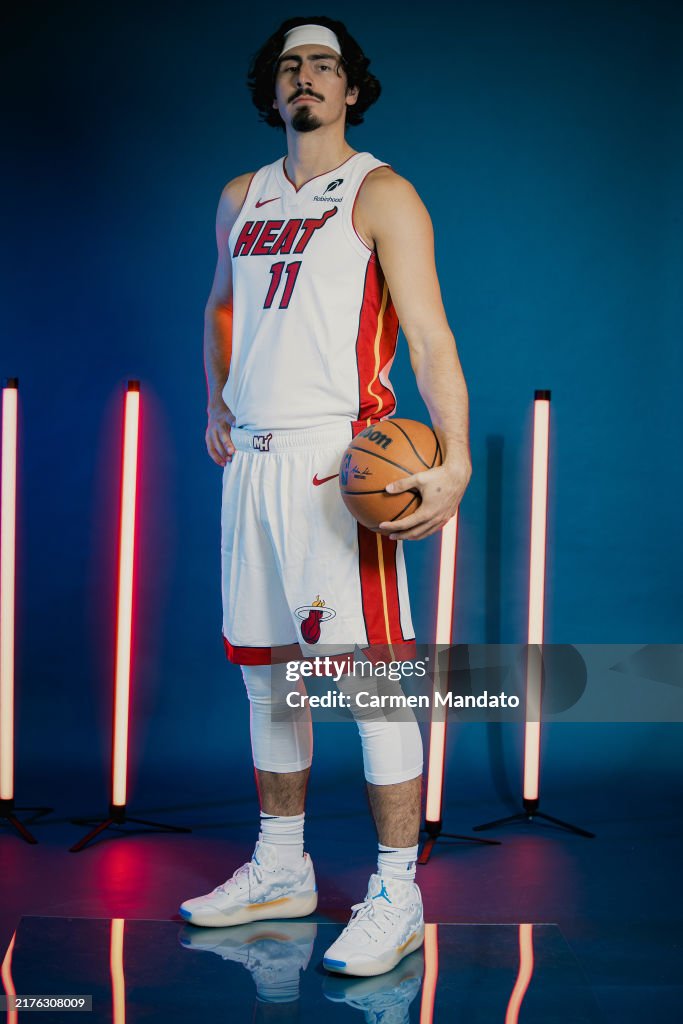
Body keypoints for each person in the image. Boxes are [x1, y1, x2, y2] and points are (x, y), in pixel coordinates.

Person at [179, 16, 472, 978]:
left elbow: (427, 337)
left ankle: (397, 891)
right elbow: (221, 301)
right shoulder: (240, 196)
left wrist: (454, 459)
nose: (305, 78)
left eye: (325, 66)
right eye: (290, 67)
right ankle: (279, 868)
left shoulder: (380, 193)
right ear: (273, 91)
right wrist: (215, 398)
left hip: (340, 470)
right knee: (267, 676)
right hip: (253, 465)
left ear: (352, 90)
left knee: (368, 687)